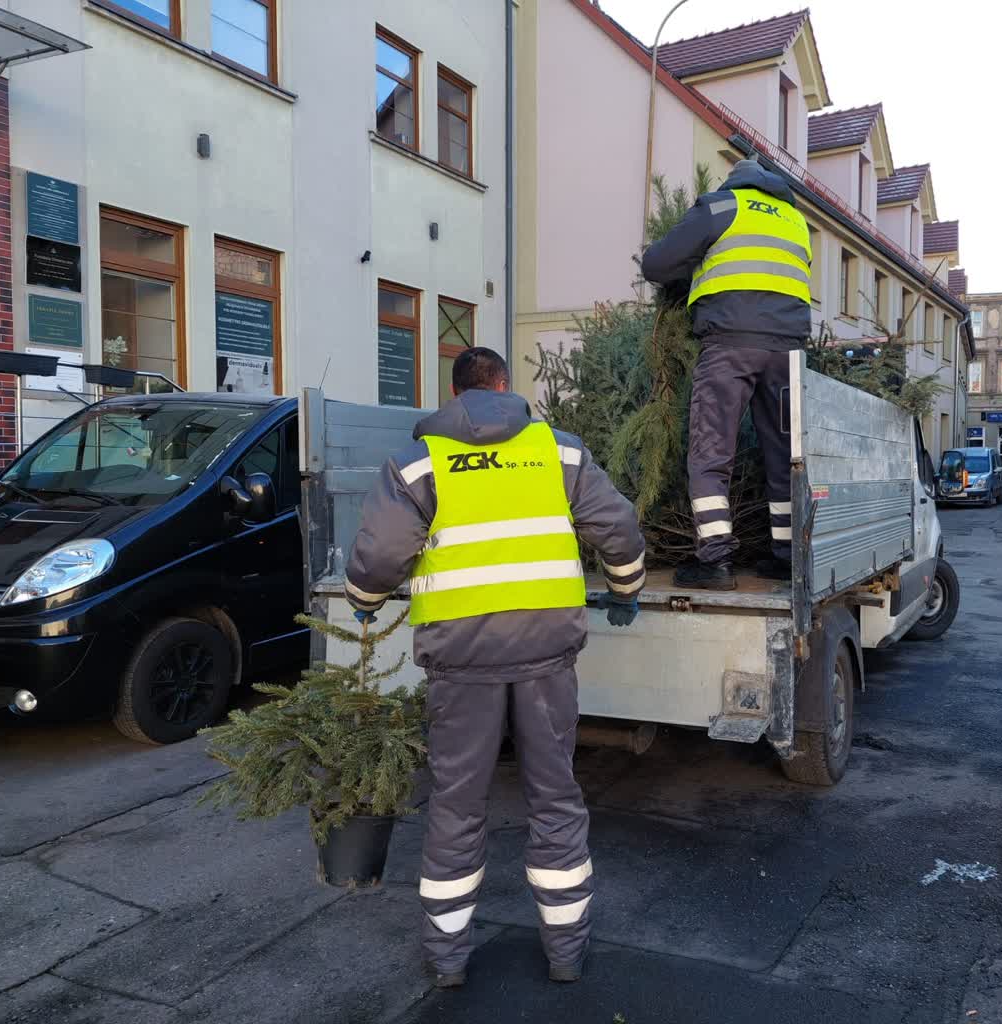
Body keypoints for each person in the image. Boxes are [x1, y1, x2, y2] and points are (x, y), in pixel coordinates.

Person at [344, 347, 646, 988]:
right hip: (547, 656)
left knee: (456, 805)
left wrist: (364, 605)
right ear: (506, 387)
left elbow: (378, 558)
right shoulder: (558, 452)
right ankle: (566, 954)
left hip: (461, 663)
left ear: (454, 395)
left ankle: (448, 961)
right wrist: (625, 588)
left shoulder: (419, 463)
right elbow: (617, 528)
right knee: (556, 798)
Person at [641, 158, 812, 590]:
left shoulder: (722, 207)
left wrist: (693, 270)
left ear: (734, 181)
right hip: (789, 353)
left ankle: (714, 560)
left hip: (730, 343)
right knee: (784, 453)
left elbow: (656, 264)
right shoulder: (796, 220)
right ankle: (787, 557)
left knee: (711, 451)